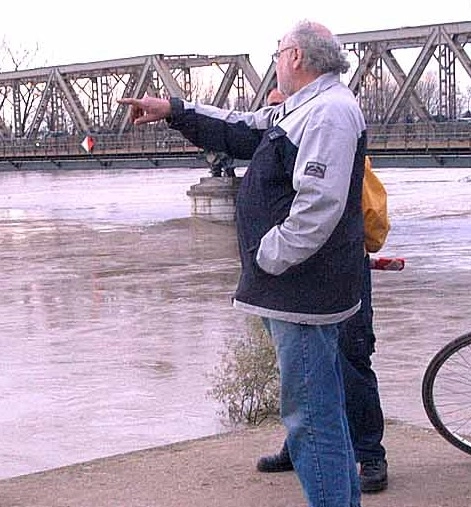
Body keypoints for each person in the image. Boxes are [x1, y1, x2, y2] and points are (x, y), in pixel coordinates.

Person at [119, 20, 366, 507]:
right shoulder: (304, 109)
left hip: (301, 292)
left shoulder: (330, 112)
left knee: (310, 421)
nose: (275, 61)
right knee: (323, 412)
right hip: (300, 290)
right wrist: (174, 110)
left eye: (278, 53)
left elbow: (320, 205)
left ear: (295, 56)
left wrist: (268, 256)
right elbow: (239, 128)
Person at [255, 88, 391, 491]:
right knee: (302, 367)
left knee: (351, 358)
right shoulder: (277, 143)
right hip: (294, 277)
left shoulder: (333, 139)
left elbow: (369, 216)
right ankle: (299, 448)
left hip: (340, 269)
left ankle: (370, 455)